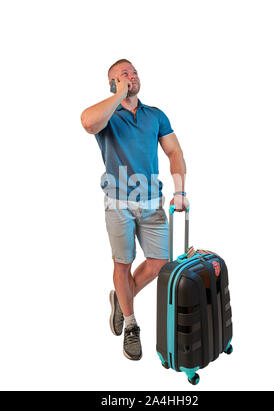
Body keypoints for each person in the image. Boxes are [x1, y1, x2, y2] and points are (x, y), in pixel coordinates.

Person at [81, 59, 189, 361]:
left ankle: (121, 297)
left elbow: (174, 152)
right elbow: (88, 122)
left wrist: (179, 190)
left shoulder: (155, 115)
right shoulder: (107, 115)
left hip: (152, 201)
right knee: (123, 264)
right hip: (118, 203)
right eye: (124, 74)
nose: (132, 76)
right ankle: (130, 323)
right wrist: (118, 94)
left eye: (134, 72)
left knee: (158, 263)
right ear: (113, 83)